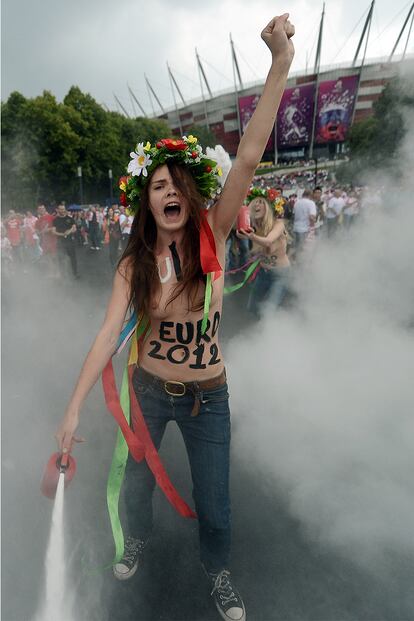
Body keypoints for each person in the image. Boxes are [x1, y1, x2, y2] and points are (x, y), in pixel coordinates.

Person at [55, 14, 295, 621]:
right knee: (137, 481)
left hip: (208, 398)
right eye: (155, 185)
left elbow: (247, 156)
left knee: (215, 504)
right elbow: (109, 333)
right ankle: (136, 538)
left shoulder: (212, 235)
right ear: (147, 201)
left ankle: (217, 573)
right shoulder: (133, 264)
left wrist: (279, 67)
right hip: (148, 392)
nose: (166, 192)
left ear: (189, 195)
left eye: (175, 184)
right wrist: (74, 406)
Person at [239, 190, 290, 317]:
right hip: (263, 273)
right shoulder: (255, 226)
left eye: (261, 202)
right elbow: (238, 230)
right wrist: (240, 233)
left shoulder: (279, 224)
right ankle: (260, 332)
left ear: (268, 207)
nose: (256, 205)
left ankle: (275, 332)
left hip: (280, 275)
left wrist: (251, 237)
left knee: (269, 311)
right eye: (255, 203)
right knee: (253, 307)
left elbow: (268, 242)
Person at [51, 204, 79, 278]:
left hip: (70, 241)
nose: (62, 211)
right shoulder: (55, 220)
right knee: (61, 259)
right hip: (60, 242)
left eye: (63, 209)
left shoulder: (70, 219)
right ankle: (62, 275)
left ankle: (75, 273)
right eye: (61, 209)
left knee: (73, 258)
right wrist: (62, 234)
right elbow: (53, 231)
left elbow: (74, 229)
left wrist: (69, 232)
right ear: (58, 210)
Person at [292, 188, 316, 255]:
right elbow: (312, 217)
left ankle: (295, 261)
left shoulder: (297, 202)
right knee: (304, 249)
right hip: (305, 229)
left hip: (295, 228)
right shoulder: (311, 203)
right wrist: (313, 228)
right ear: (310, 195)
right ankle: (301, 263)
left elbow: (294, 215)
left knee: (296, 247)